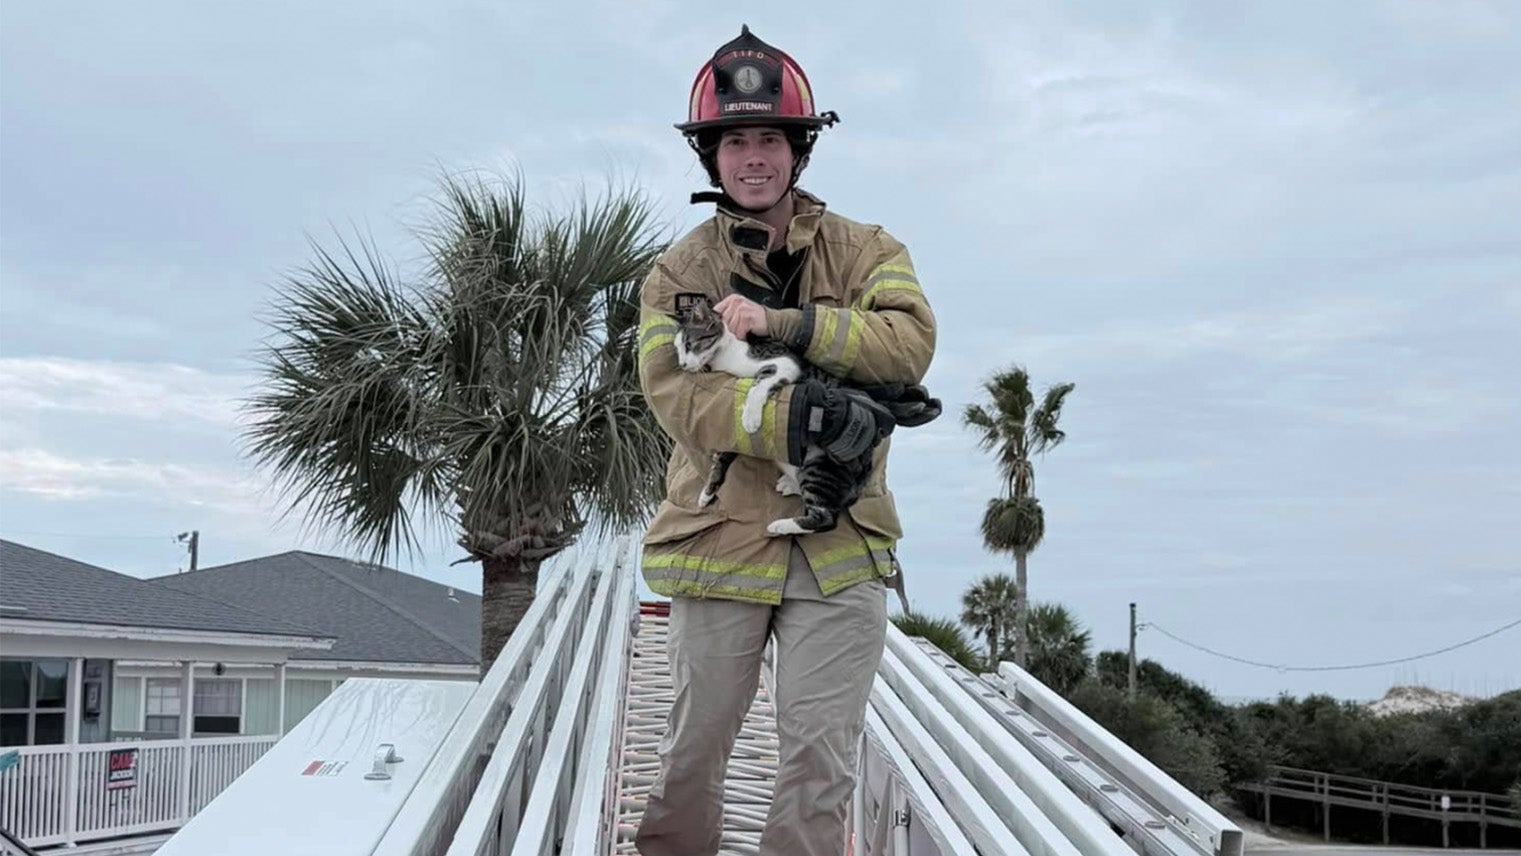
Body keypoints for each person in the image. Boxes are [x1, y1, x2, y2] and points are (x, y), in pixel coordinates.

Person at [633, 25, 937, 856]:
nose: (752, 156)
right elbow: (678, 391)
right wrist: (793, 419)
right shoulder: (680, 272)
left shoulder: (870, 250)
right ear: (712, 158)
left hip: (841, 547)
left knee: (817, 760)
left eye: (769, 137)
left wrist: (788, 323)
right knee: (691, 754)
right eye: (735, 141)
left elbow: (908, 344)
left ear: (798, 149)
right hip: (717, 543)